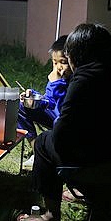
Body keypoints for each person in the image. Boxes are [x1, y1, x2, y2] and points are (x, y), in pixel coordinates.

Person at [32, 23, 111, 221]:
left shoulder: (84, 80)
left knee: (44, 142)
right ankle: (96, 213)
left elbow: (60, 138)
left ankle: (51, 219)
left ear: (75, 56)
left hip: (104, 169)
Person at [17, 35, 71, 170]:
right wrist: (33, 97)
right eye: (54, 62)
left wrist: (55, 83)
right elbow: (49, 100)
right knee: (21, 106)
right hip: (55, 117)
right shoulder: (58, 77)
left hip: (65, 123)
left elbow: (61, 110)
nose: (58, 67)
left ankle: (51, 155)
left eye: (63, 62)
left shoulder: (76, 80)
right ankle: (37, 151)